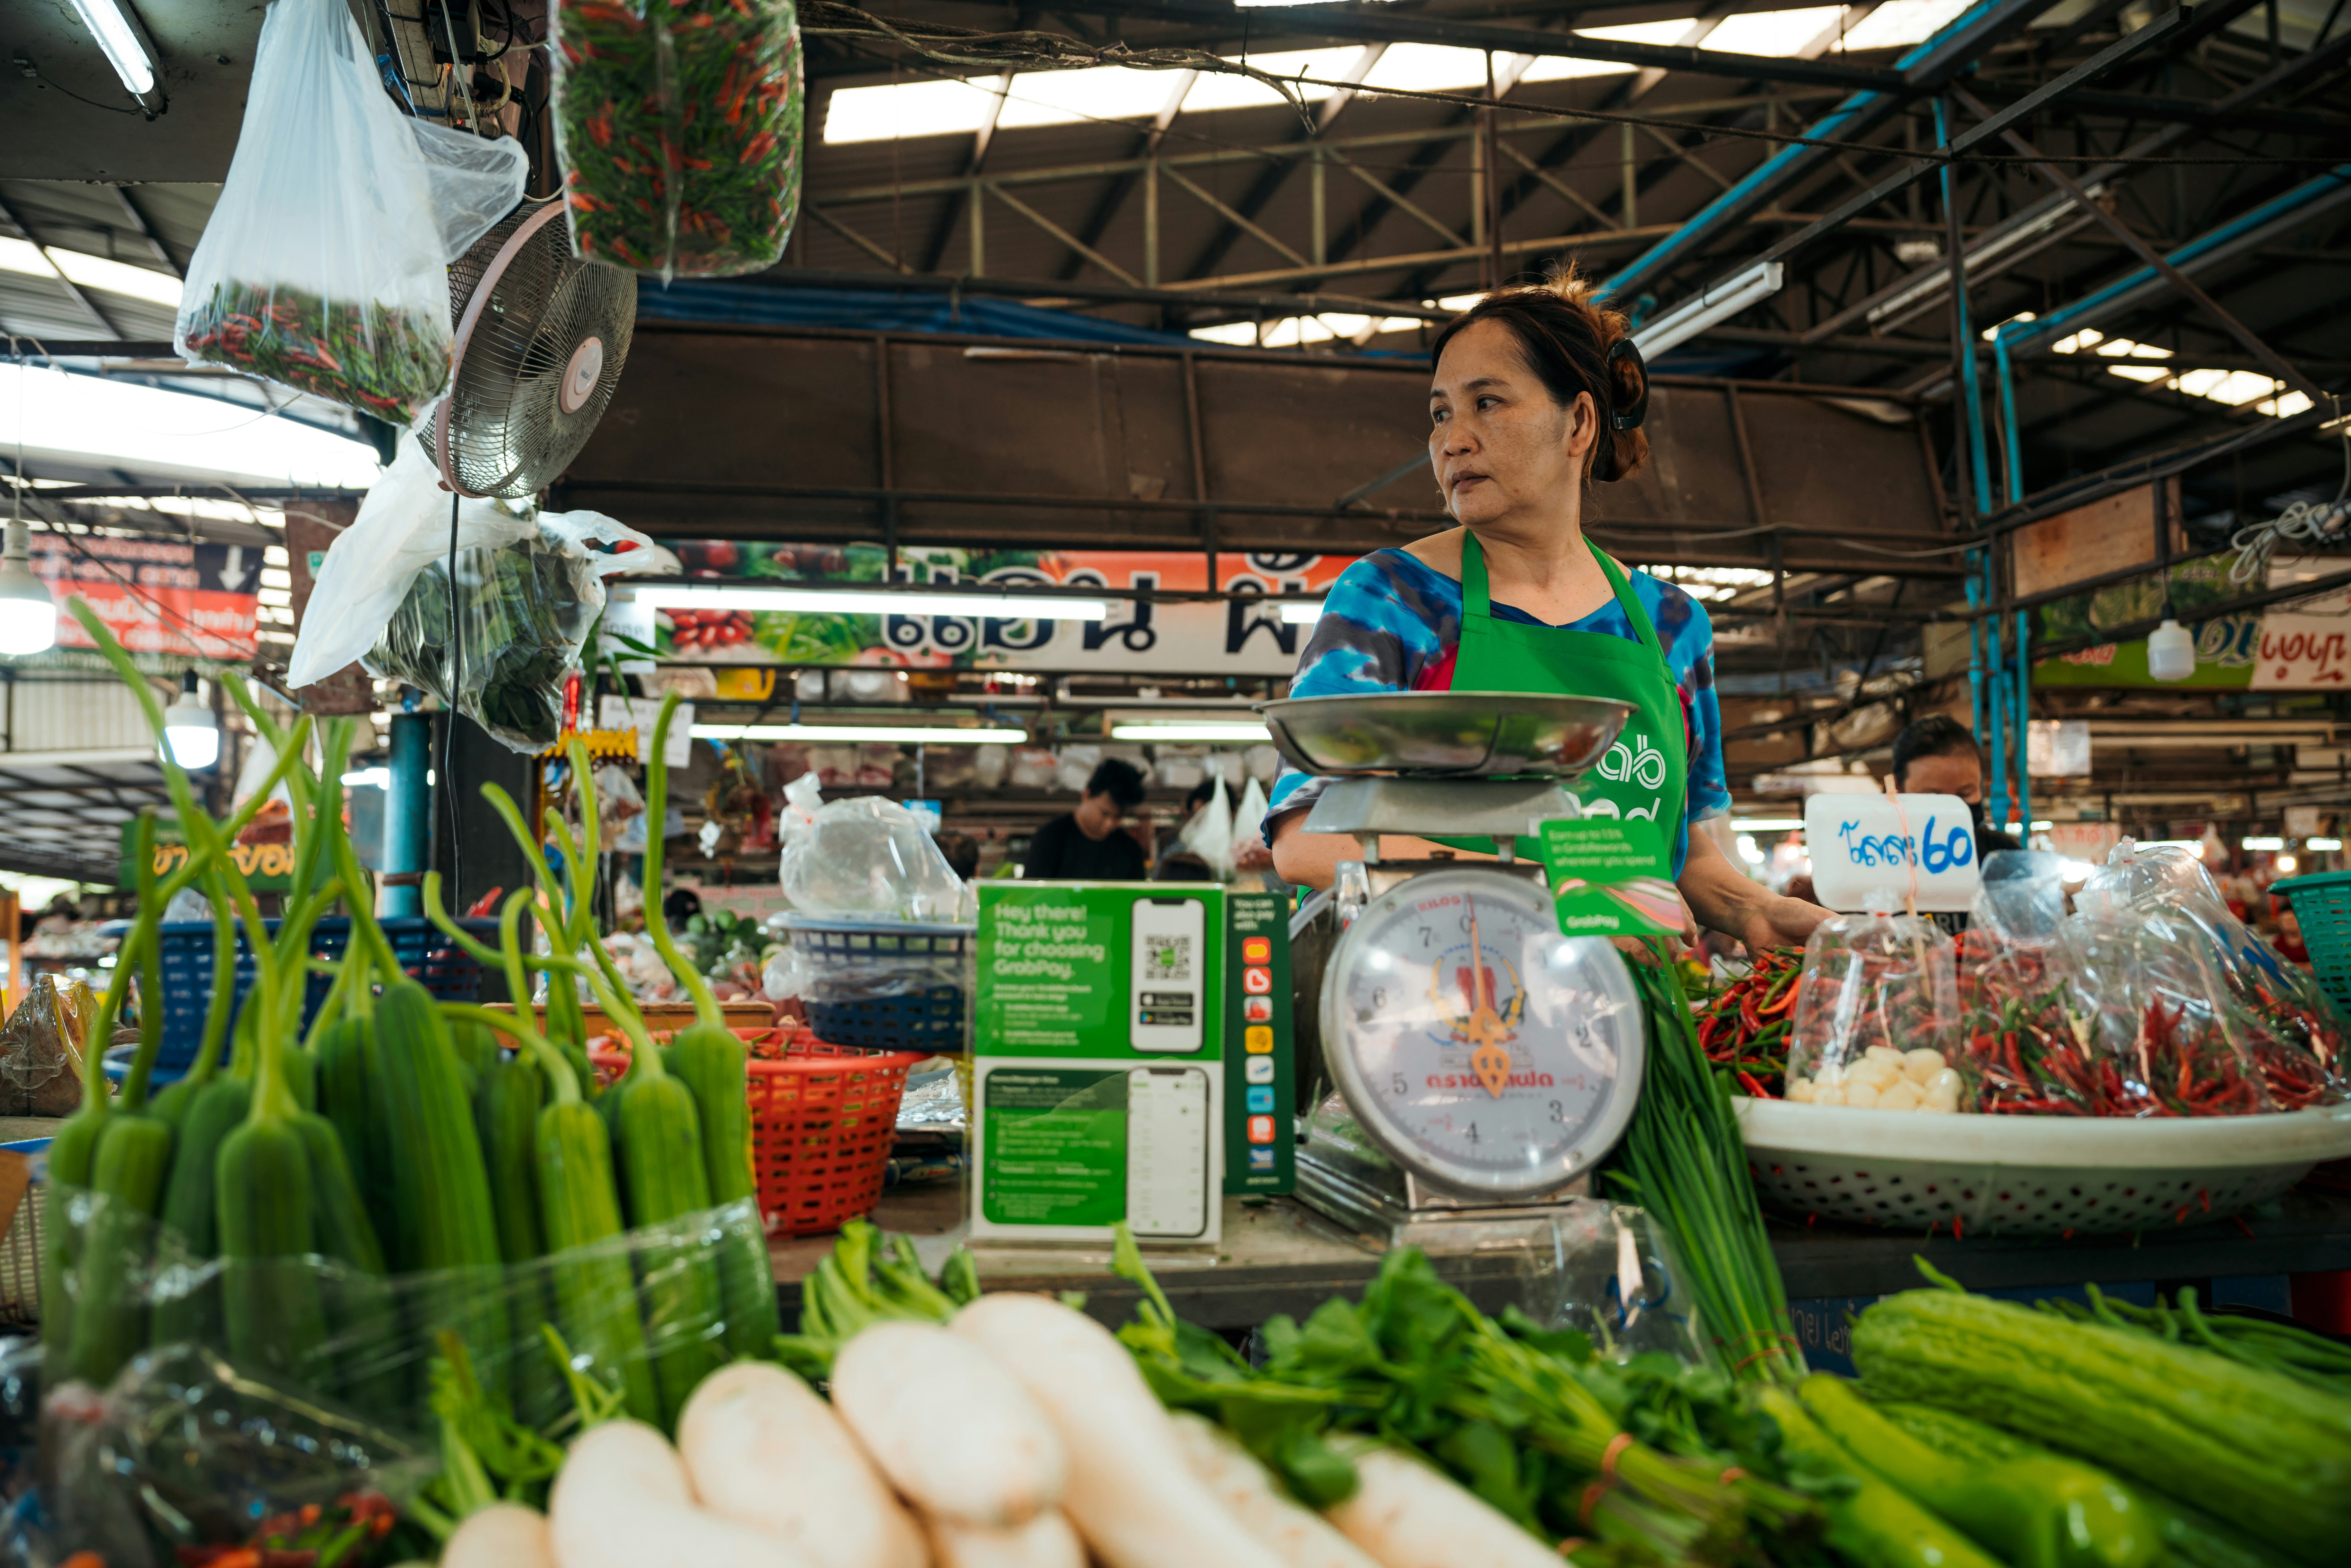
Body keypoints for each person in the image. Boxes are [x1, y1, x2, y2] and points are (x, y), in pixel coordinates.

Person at [1266, 270, 1830, 955]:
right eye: (1441, 414)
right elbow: (1309, 839)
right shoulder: (1395, 599)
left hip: (1624, 1007)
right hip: (1426, 1000)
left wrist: (1757, 911)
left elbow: (1678, 849)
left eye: (1487, 403)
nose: (1453, 440)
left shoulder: (1673, 627)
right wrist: (1561, 895)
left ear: (1580, 423)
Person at [1889, 714, 2022, 860]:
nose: (1952, 809)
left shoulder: (2003, 853)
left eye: (1965, 794)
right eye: (1933, 797)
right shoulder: (1882, 854)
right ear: (1898, 788)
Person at [1025, 757, 1148, 881]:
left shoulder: (1130, 851)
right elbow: (1032, 891)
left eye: (1118, 817)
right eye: (1105, 814)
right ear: (1087, 795)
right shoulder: (1049, 839)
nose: (1110, 824)